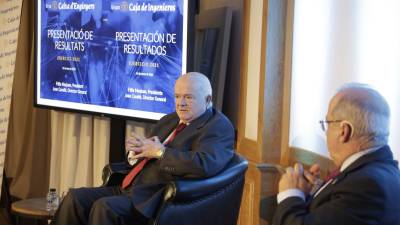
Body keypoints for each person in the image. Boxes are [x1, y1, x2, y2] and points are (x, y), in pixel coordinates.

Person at [51, 72, 235, 225]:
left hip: (155, 198)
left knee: (104, 207)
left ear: (208, 99)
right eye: (177, 96)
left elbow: (205, 164)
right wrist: (135, 152)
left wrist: (161, 153)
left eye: (188, 97)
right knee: (74, 198)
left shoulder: (217, 126)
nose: (181, 103)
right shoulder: (169, 120)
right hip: (129, 186)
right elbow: (145, 152)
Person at [274, 83, 400, 225]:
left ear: (343, 131)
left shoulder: (366, 186)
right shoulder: (378, 170)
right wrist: (314, 193)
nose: (326, 131)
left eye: (327, 123)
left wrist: (290, 194)